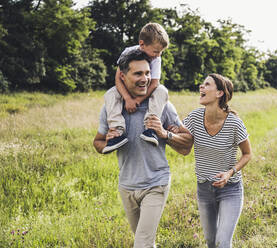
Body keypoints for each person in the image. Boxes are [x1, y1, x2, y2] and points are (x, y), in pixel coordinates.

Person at [93, 49, 191, 248]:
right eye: (138, 74)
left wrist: (165, 134)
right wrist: (108, 141)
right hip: (127, 186)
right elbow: (97, 142)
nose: (145, 79)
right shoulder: (112, 107)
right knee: (145, 241)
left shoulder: (162, 105)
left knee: (142, 244)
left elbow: (187, 144)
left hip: (156, 183)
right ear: (122, 76)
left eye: (147, 73)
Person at [178, 74, 252, 248]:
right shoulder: (194, 117)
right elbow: (179, 134)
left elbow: (247, 154)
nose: (201, 87)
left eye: (206, 84)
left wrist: (230, 172)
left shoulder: (234, 123)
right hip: (204, 189)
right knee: (211, 243)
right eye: (202, 84)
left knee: (222, 242)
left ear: (219, 93)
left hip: (230, 189)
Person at [102, 22, 170, 154]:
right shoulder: (128, 52)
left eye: (161, 52)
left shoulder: (156, 58)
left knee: (162, 91)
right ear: (142, 44)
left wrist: (138, 100)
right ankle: (117, 132)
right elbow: (118, 78)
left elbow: (155, 83)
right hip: (128, 90)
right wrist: (127, 98)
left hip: (146, 90)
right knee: (111, 94)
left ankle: (150, 128)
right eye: (156, 51)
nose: (158, 55)